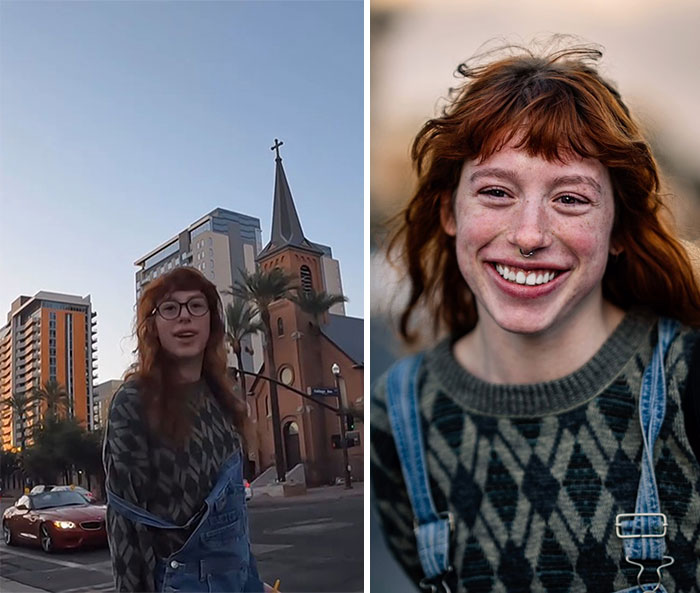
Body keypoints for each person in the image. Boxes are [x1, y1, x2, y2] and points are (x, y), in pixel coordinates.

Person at [371, 43, 700, 593]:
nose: (528, 235)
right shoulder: (399, 416)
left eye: (570, 199)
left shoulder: (688, 381)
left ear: (617, 227)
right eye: (496, 192)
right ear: (450, 212)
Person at [103, 267, 275, 592]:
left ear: (211, 321)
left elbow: (235, 520)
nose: (184, 317)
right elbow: (124, 520)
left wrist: (253, 581)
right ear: (153, 325)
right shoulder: (134, 402)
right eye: (170, 308)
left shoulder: (225, 400)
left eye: (196, 305)